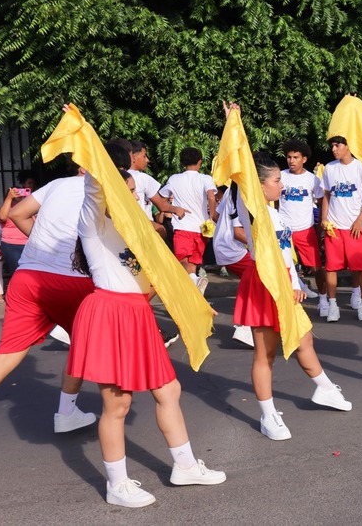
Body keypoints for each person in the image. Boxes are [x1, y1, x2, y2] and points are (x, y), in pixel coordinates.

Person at [68, 168, 224, 507]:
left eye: (134, 192)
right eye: (125, 191)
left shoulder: (137, 232)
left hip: (137, 314)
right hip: (110, 314)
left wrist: (193, 304)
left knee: (169, 389)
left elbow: (162, 281)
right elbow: (94, 194)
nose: (133, 197)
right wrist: (96, 164)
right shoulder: (93, 227)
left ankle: (184, 466)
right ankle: (117, 484)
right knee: (118, 404)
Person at [0, 161, 97, 474]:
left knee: (7, 353)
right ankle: (67, 411)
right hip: (74, 279)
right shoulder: (107, 190)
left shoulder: (57, 185)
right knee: (84, 343)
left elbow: (15, 214)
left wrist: (41, 244)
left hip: (28, 274)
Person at [235, 153, 351, 440]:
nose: (282, 186)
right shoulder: (252, 211)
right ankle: (268, 415)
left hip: (285, 282)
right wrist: (233, 126)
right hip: (265, 283)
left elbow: (286, 255)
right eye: (276, 181)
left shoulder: (274, 213)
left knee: (304, 338)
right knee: (266, 353)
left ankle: (325, 389)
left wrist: (295, 281)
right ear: (258, 186)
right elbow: (241, 175)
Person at [321, 136, 362, 321]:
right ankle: (333, 305)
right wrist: (324, 217)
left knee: (361, 268)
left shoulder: (360, 167)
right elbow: (326, 194)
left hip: (354, 227)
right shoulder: (329, 168)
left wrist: (360, 220)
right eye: (332, 146)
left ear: (348, 146)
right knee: (331, 267)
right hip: (334, 227)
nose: (334, 149)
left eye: (338, 145)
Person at [158, 147, 216, 294]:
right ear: (200, 162)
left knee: (183, 261)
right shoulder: (206, 179)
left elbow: (162, 200)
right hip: (203, 228)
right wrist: (212, 215)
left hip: (183, 226)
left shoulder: (174, 179)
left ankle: (195, 281)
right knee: (193, 263)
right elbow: (211, 197)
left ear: (182, 162)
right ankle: (196, 289)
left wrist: (174, 208)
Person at [279, 140, 327, 310]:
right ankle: (284, 301)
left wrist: (321, 223)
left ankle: (323, 299)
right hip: (284, 232)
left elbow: (322, 202)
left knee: (316, 268)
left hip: (305, 231)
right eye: (289, 157)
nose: (291, 160)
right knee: (282, 267)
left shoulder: (312, 180)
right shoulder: (281, 176)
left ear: (304, 159)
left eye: (295, 157)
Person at [212, 185, 254, 347]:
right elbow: (238, 232)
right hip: (232, 248)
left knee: (252, 283)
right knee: (262, 279)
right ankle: (245, 326)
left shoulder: (233, 188)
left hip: (227, 245)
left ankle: (247, 325)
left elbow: (217, 215)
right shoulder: (242, 192)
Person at [0, 171, 38, 276]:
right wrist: (9, 198)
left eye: (20, 192)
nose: (18, 194)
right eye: (16, 192)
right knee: (17, 272)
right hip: (12, 245)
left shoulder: (26, 205)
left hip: (29, 243)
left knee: (30, 272)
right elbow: (2, 217)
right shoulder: (7, 207)